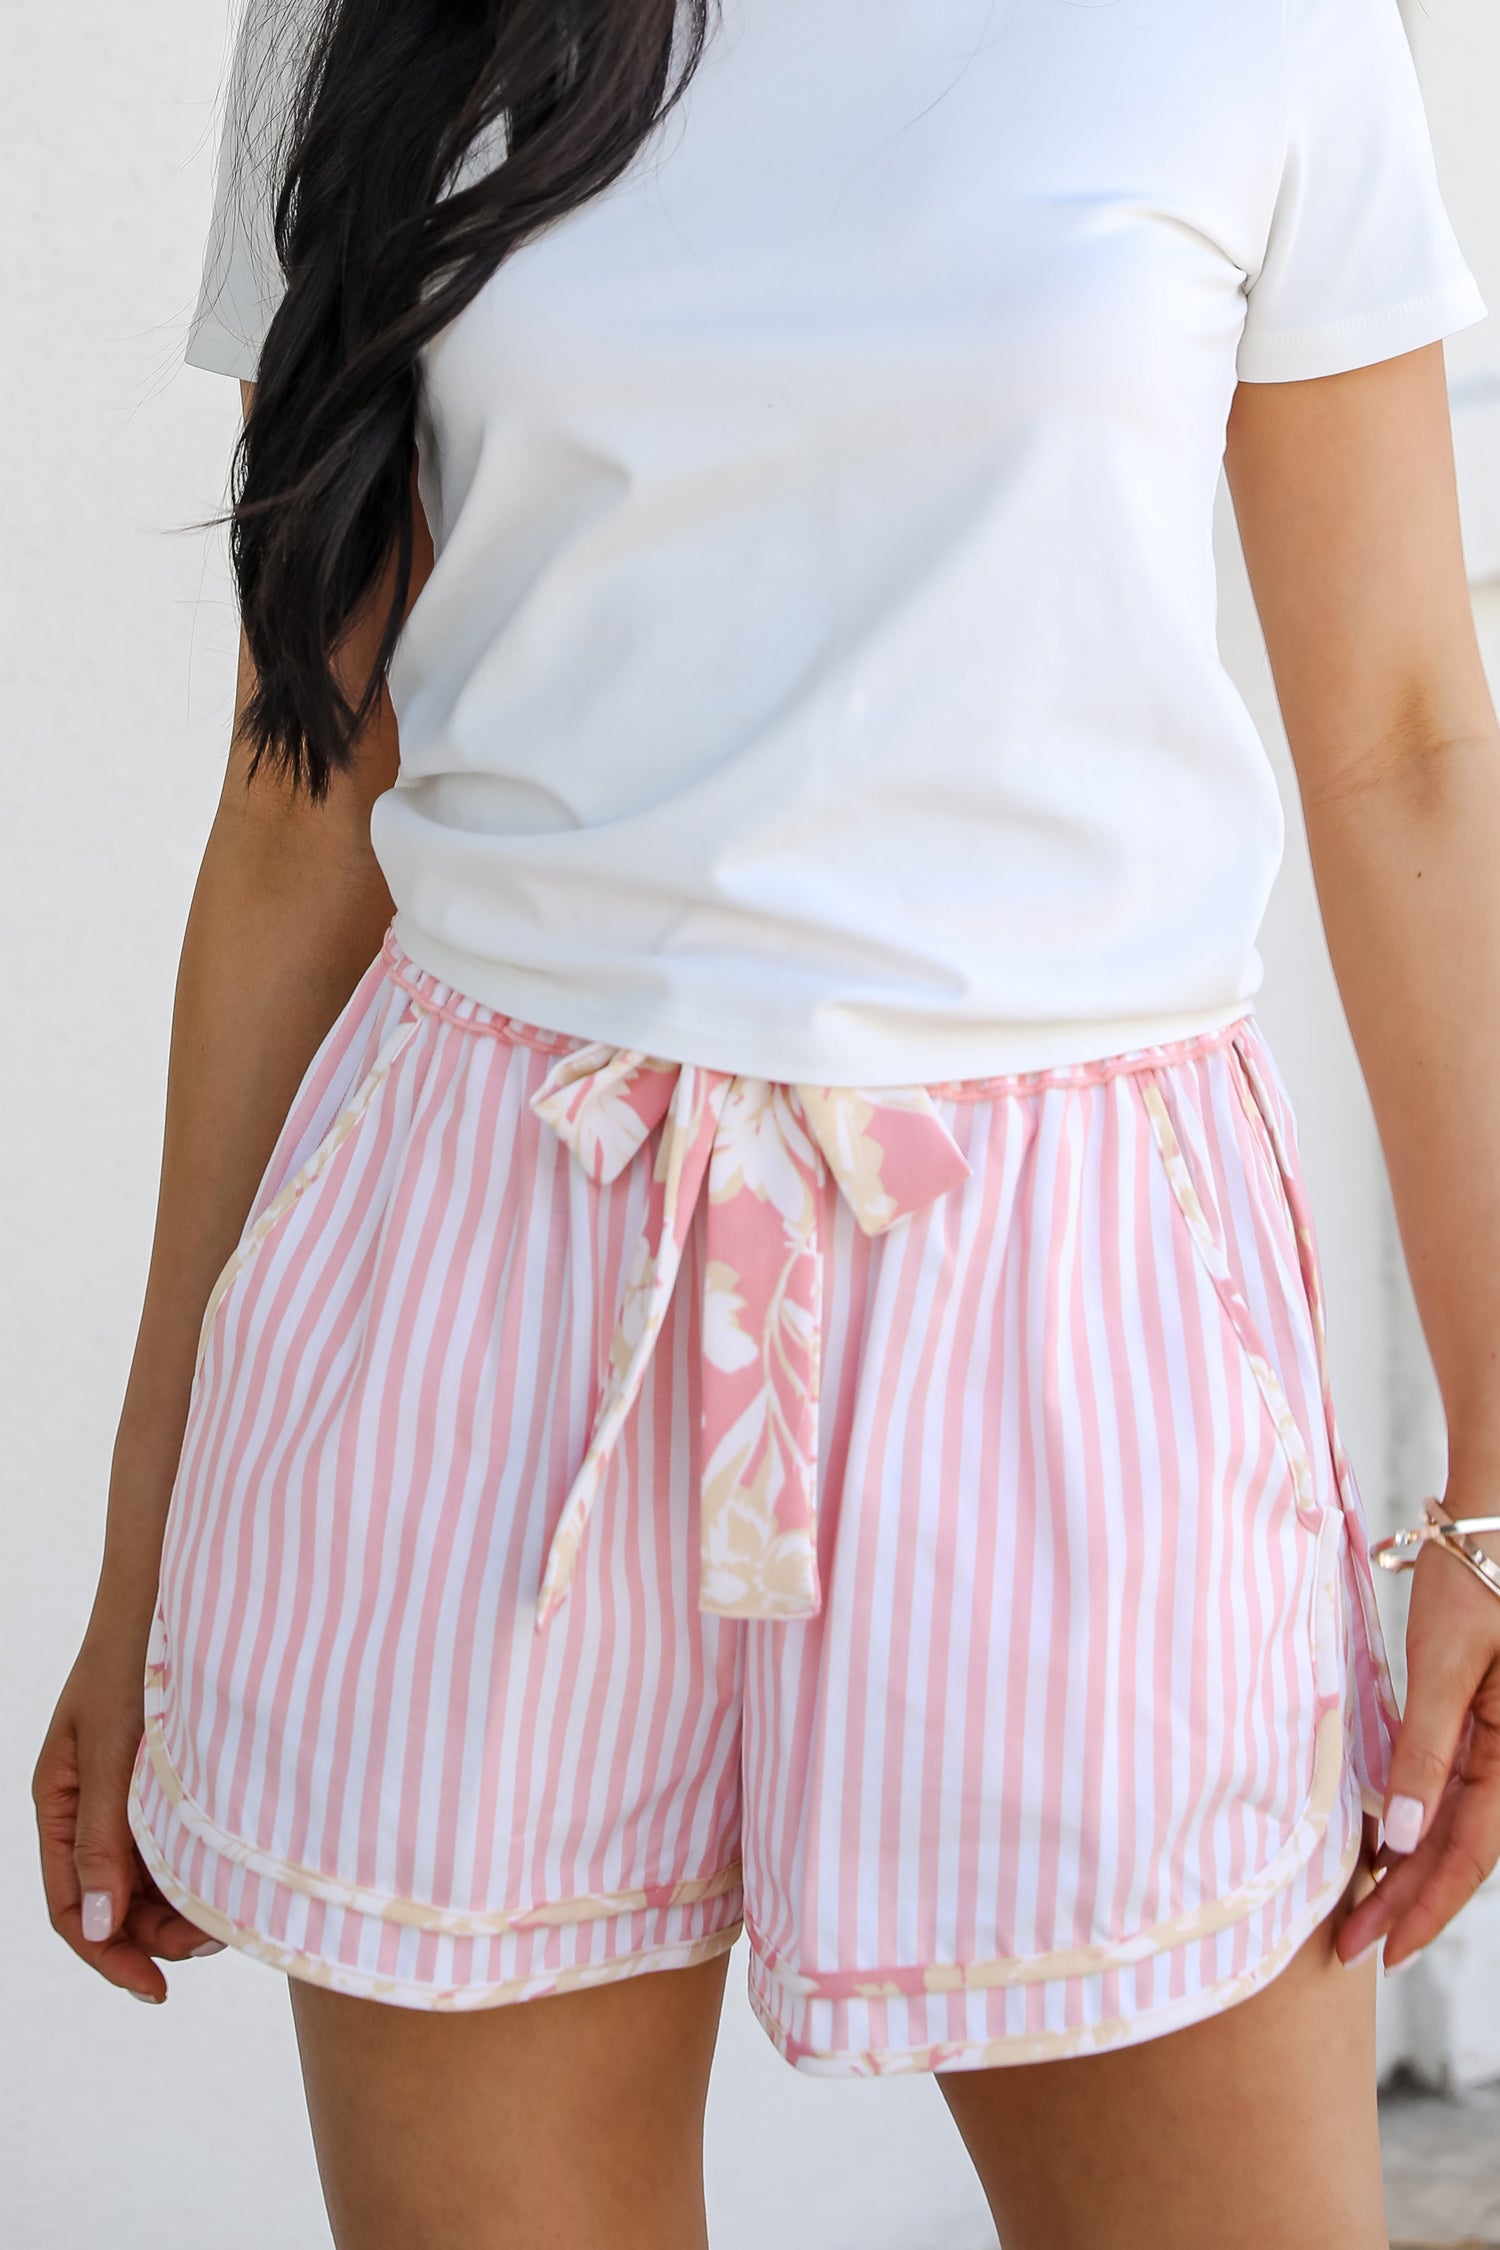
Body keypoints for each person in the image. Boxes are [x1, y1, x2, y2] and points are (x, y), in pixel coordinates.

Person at [31, 0, 1500, 2243]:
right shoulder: (375, 20)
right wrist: (147, 1546)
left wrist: (1497, 1482)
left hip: (1066, 1308)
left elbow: (1405, 743)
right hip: (483, 1270)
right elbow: (297, 804)